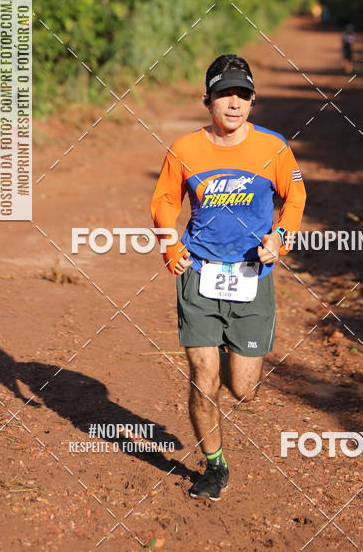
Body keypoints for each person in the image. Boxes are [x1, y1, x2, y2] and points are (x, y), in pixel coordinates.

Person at [150, 54, 306, 501]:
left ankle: (232, 362)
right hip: (198, 273)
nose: (233, 103)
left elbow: (294, 197)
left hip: (251, 277)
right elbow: (163, 201)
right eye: (224, 95)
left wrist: (281, 237)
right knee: (203, 376)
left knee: (242, 389)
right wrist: (170, 246)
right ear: (208, 101)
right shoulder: (184, 150)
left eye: (242, 95)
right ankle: (214, 466)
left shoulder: (272, 148)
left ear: (253, 101)